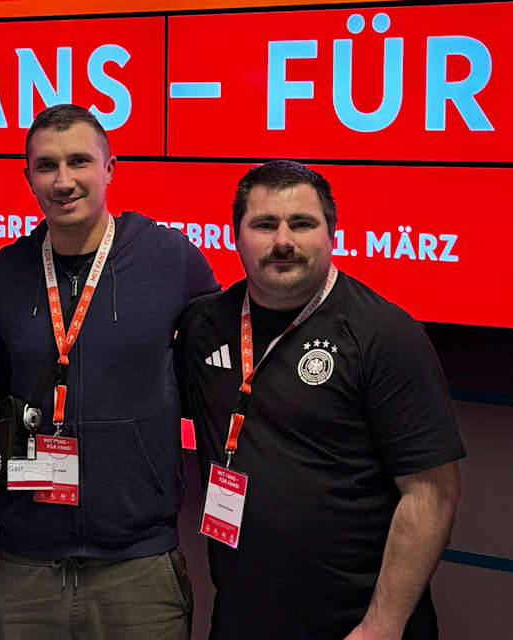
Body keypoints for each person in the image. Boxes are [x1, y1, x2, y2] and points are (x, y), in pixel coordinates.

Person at [174, 160, 465, 639]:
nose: (283, 241)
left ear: (333, 233)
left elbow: (431, 493)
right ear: (235, 235)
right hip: (242, 620)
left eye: (302, 224)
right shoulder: (205, 326)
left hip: (352, 626)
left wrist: (382, 626)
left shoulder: (383, 333)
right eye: (265, 225)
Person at [0, 104, 220, 639]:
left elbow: (223, 368)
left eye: (79, 161)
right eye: (46, 166)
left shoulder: (169, 257)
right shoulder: (7, 270)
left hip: (138, 567)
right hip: (24, 565)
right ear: (28, 176)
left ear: (108, 168)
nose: (64, 181)